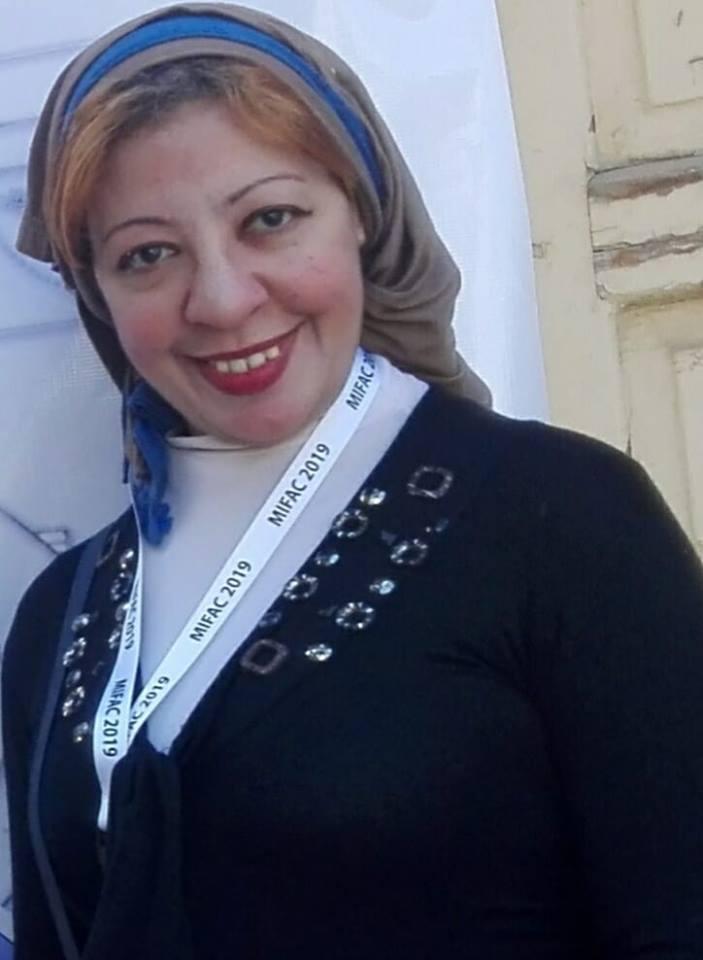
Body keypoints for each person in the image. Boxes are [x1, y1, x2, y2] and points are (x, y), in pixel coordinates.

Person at [3, 3, 703, 958]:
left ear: (363, 217)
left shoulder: (561, 519)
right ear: (98, 293)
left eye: (270, 219)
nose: (222, 299)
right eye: (148, 255)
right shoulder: (60, 614)